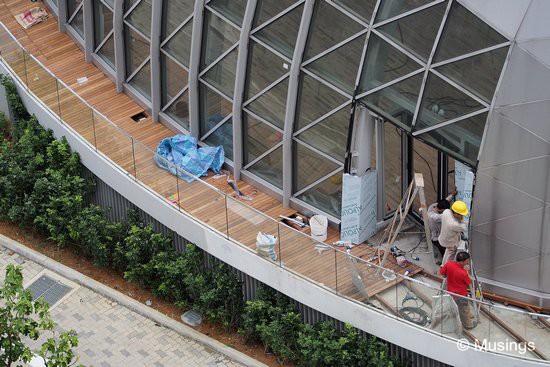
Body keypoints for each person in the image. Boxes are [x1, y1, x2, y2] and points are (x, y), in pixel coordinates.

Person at [440, 251, 476, 329]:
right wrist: (467, 271)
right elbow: (469, 282)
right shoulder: (463, 273)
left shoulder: (449, 263)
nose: (468, 262)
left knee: (456, 307)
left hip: (451, 292)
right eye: (467, 261)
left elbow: (442, 272)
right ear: (462, 261)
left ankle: (465, 315)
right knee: (464, 309)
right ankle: (468, 325)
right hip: (461, 295)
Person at [426, 194, 454, 264]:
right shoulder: (435, 217)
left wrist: (452, 195)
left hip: (439, 234)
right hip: (436, 238)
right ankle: (444, 264)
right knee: (445, 252)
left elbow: (446, 201)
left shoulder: (434, 206)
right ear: (442, 210)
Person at [438, 200, 468, 265]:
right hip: (451, 242)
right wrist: (461, 220)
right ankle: (445, 268)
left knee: (447, 252)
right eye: (461, 215)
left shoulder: (446, 211)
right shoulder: (454, 224)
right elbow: (464, 227)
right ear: (456, 213)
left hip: (444, 238)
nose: (462, 216)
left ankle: (443, 266)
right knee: (450, 255)